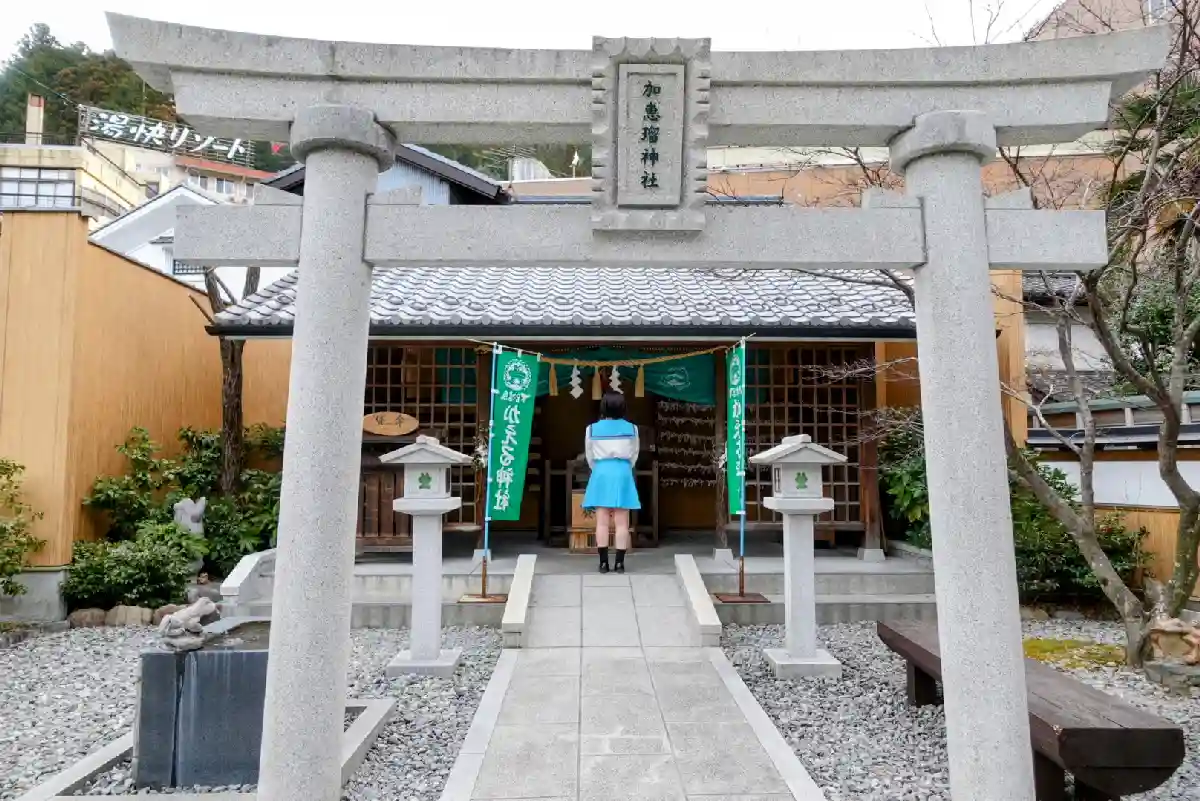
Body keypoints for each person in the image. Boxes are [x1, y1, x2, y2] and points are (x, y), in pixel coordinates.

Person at [583, 391, 642, 573]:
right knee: (622, 522)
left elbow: (589, 455)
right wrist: (625, 467)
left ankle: (603, 563)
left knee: (601, 521)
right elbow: (634, 453)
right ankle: (619, 563)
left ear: (603, 407)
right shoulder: (632, 429)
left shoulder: (592, 429)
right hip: (623, 471)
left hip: (601, 471)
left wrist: (598, 468)